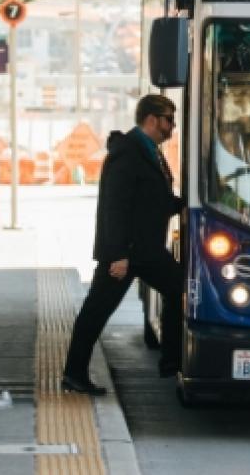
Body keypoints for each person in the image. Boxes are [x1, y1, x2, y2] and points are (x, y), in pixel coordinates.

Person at [62, 94, 183, 395]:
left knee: (180, 288)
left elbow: (152, 200)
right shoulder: (127, 153)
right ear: (152, 119)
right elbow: (113, 207)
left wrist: (184, 206)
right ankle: (74, 373)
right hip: (126, 252)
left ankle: (172, 359)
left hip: (148, 251)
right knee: (96, 311)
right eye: (169, 119)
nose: (173, 126)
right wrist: (116, 254)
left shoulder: (149, 151)